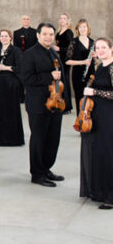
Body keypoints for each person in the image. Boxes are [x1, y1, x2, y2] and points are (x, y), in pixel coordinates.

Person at [20, 22, 71, 188]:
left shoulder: (53, 52)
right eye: (45, 34)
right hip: (38, 105)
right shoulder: (30, 54)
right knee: (39, 139)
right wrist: (49, 76)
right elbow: (26, 78)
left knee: (52, 139)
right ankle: (37, 174)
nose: (48, 37)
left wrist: (66, 101)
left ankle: (46, 168)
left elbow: (61, 78)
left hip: (56, 103)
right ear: (38, 35)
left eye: (51, 34)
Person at [80, 37, 113, 210]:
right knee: (98, 151)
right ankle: (99, 190)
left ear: (111, 49)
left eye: (104, 47)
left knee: (108, 153)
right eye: (98, 48)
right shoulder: (101, 66)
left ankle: (111, 195)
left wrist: (95, 91)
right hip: (97, 114)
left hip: (109, 116)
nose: (100, 51)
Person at [0, 29, 24, 146]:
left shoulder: (16, 50)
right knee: (0, 110)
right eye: (2, 36)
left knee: (10, 110)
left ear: (10, 38)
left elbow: (20, 68)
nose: (4, 38)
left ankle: (12, 138)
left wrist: (5, 68)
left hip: (11, 83)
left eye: (6, 36)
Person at [66, 19, 96, 115]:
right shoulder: (73, 42)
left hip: (91, 74)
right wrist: (82, 62)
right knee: (80, 98)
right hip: (78, 75)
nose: (82, 29)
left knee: (91, 99)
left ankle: (89, 122)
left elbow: (96, 61)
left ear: (88, 28)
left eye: (84, 27)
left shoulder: (92, 42)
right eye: (80, 27)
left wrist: (96, 57)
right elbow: (67, 61)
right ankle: (81, 122)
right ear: (77, 29)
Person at [55, 12, 73, 81]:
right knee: (59, 78)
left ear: (67, 21)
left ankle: (66, 92)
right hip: (58, 58)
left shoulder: (69, 32)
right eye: (61, 18)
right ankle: (59, 92)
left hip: (65, 59)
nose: (62, 20)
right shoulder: (58, 32)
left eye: (64, 19)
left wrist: (59, 48)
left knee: (65, 78)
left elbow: (70, 49)